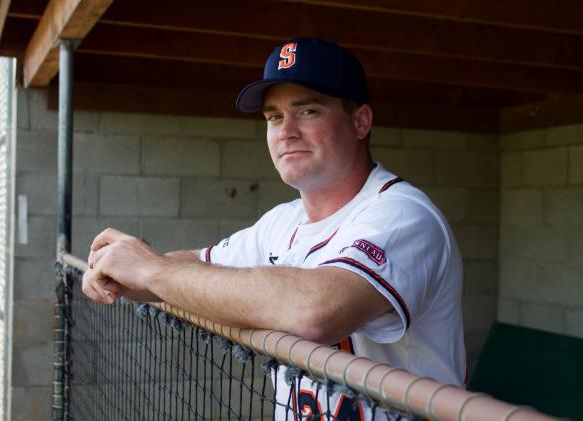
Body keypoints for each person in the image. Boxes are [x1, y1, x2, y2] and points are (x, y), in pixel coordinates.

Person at [82, 37, 465, 420]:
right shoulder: (282, 221)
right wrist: (121, 270)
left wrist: (151, 270)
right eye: (274, 117)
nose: (287, 131)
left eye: (309, 111)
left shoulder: (402, 214)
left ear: (360, 121)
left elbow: (313, 311)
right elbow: (200, 265)